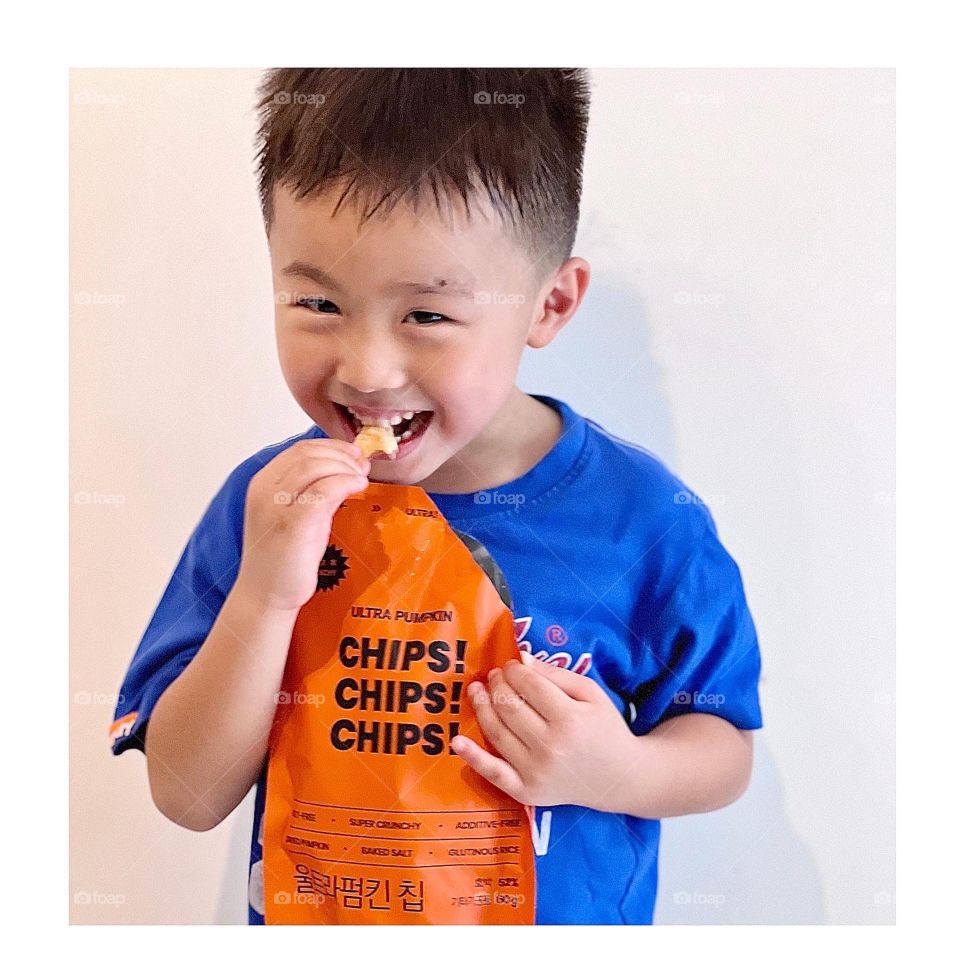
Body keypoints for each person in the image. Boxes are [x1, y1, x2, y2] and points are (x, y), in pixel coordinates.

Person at [109, 67, 763, 925]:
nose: (368, 370)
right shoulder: (269, 505)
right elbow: (187, 795)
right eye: (318, 301)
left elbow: (723, 744)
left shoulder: (644, 519)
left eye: (426, 316)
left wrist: (623, 772)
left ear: (549, 304)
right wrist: (265, 595)